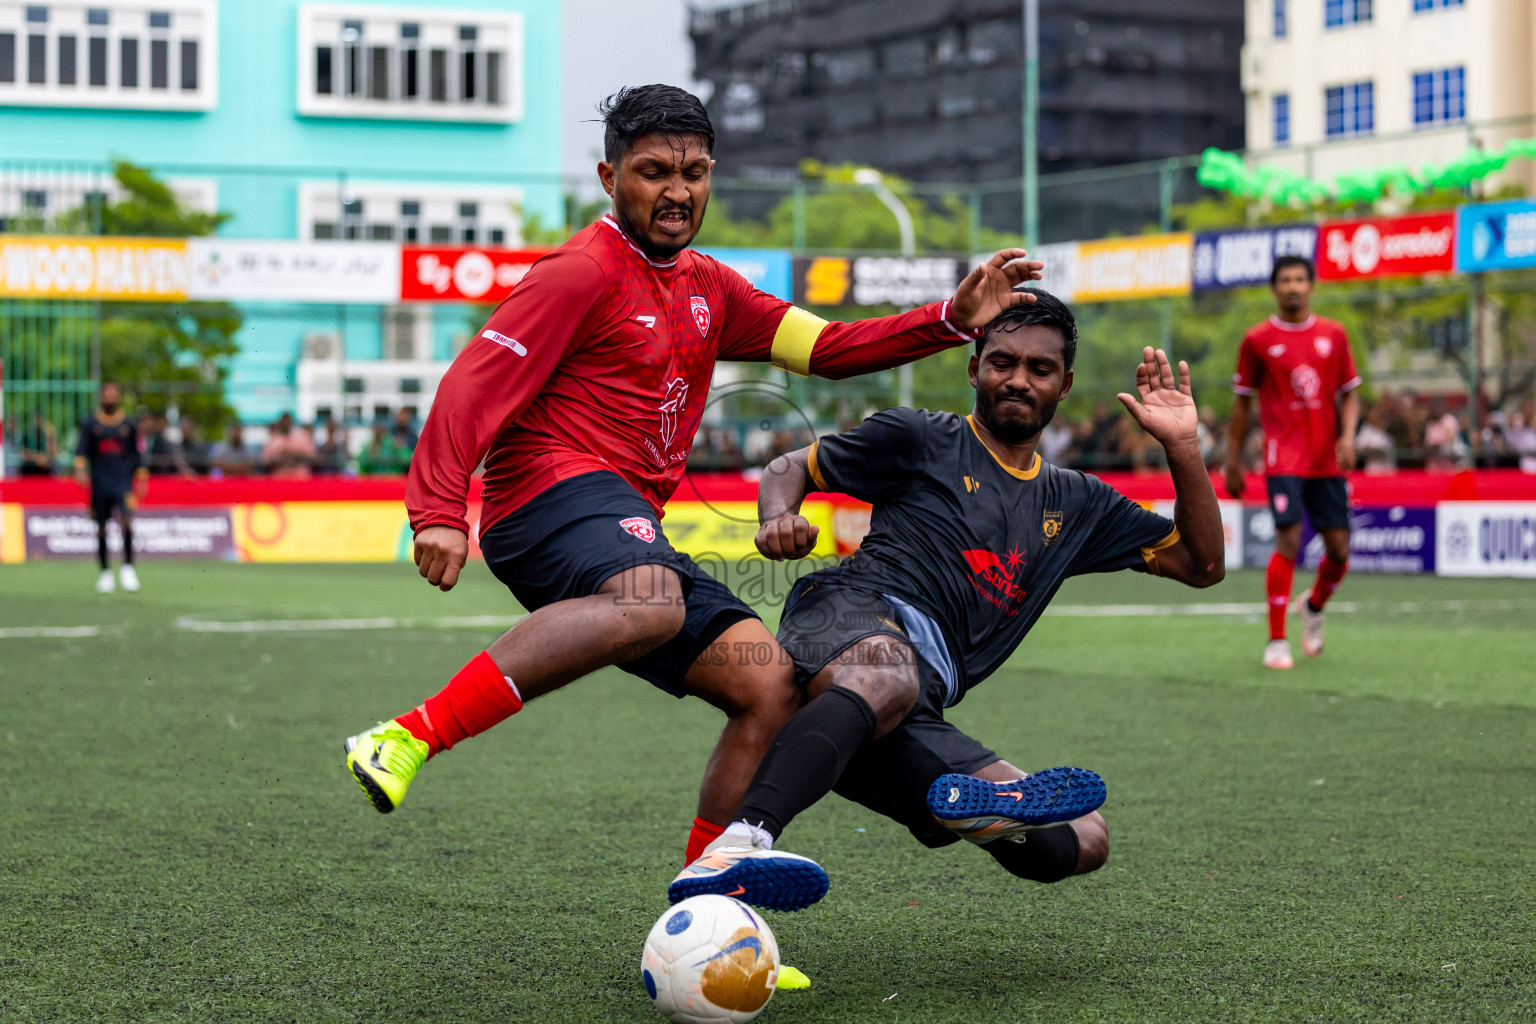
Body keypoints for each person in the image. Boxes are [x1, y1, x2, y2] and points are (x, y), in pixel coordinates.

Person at [341, 84, 1045, 881]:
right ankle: (406, 736)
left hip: (622, 518)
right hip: (544, 496)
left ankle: (707, 893)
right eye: (654, 172)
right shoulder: (578, 272)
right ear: (609, 178)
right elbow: (474, 381)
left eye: (694, 172)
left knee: (769, 686)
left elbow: (827, 348)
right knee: (653, 599)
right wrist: (438, 508)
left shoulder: (712, 286)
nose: (677, 191)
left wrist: (948, 320)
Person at [669, 293, 1225, 911]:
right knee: (885, 673)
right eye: (1002, 362)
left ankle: (962, 806)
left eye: (1039, 368)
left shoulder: (1080, 503)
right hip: (849, 616)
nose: (1018, 379)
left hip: (913, 696)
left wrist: (1183, 446)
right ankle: (745, 840)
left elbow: (1201, 566)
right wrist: (778, 517)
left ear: (1064, 385)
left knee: (1084, 836)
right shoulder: (921, 436)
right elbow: (786, 467)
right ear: (974, 368)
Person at [1225, 255, 1360, 671]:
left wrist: (1347, 437)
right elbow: (1241, 404)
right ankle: (1277, 639)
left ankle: (1313, 606)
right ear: (1274, 288)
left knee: (1339, 551)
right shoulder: (1257, 339)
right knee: (1289, 540)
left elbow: (1350, 393)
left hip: (1326, 459)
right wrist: (1232, 460)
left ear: (1311, 286)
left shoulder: (1334, 334)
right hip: (1282, 456)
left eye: (1300, 279)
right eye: (1285, 280)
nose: (1293, 286)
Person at [74, 381, 147, 594]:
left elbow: (137, 454)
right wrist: (80, 470)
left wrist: (142, 478)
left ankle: (128, 569)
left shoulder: (129, 424)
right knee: (101, 528)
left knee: (127, 523)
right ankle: (105, 572)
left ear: (119, 397)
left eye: (113, 394)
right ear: (101, 397)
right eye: (106, 394)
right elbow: (81, 451)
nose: (110, 398)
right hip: (99, 483)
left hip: (123, 482)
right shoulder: (91, 423)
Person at [262, 413, 316, 478]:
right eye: (284, 421)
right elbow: (266, 461)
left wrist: (296, 455)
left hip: (300, 477)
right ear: (280, 423)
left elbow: (312, 457)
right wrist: (282, 457)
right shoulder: (273, 440)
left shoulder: (302, 437)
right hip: (279, 477)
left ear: (292, 422)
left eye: (287, 421)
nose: (286, 423)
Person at [18, 410, 58, 476]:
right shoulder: (27, 435)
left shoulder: (47, 435)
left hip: (45, 472)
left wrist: (45, 459)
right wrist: (36, 457)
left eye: (39, 418)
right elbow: (22, 454)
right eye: (36, 418)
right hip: (29, 472)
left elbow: (53, 454)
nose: (37, 421)